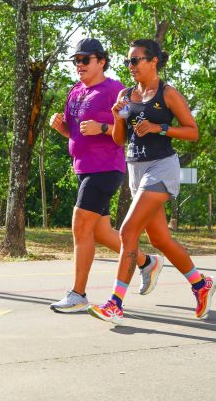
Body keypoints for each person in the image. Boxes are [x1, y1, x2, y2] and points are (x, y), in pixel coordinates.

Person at [88, 39, 216, 324]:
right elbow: (120, 140)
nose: (130, 66)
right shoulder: (125, 94)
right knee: (160, 238)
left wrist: (160, 128)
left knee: (127, 230)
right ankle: (200, 284)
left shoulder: (168, 93)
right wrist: (116, 117)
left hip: (162, 167)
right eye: (128, 61)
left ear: (153, 61)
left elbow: (192, 131)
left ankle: (115, 303)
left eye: (135, 60)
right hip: (135, 168)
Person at [49, 38, 164, 313]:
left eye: (85, 60)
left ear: (101, 61)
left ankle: (78, 295)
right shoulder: (75, 92)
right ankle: (147, 262)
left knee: (80, 225)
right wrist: (61, 127)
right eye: (76, 60)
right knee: (99, 231)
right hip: (83, 167)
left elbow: (132, 129)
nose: (79, 65)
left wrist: (103, 127)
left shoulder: (116, 90)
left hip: (105, 168)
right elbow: (74, 132)